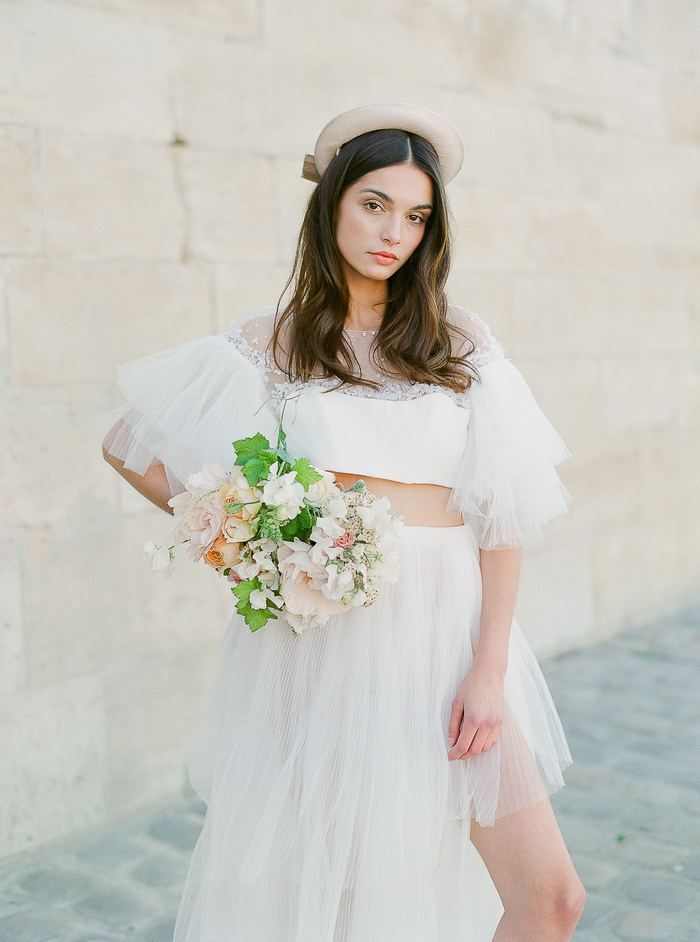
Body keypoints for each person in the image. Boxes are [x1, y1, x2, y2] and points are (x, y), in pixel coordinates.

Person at [94, 103, 585, 942]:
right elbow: (128, 444)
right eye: (374, 203)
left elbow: (499, 519)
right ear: (332, 205)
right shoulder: (271, 342)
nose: (395, 230)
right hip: (324, 643)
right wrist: (253, 549)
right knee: (343, 896)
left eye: (416, 215)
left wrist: (489, 667)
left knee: (549, 898)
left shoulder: (459, 342)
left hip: (448, 636)